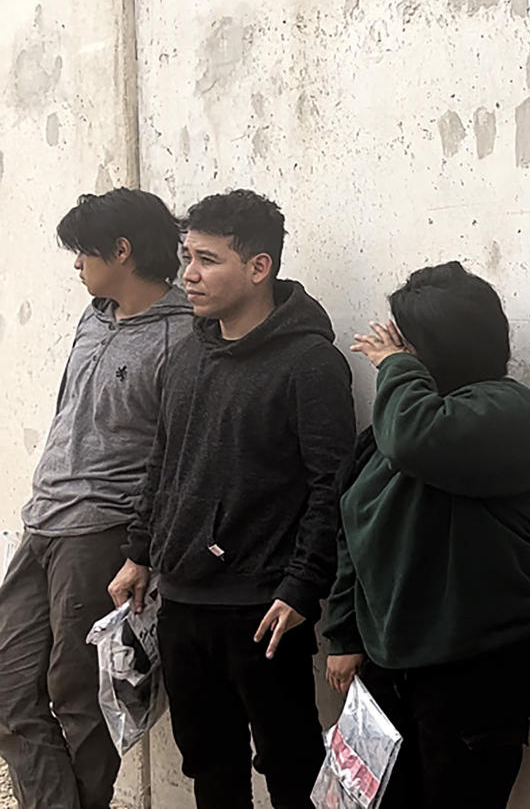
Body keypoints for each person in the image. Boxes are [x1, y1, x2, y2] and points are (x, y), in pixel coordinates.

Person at [107, 189, 355, 809]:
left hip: (263, 611)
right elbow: (163, 460)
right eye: (187, 256)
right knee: (209, 768)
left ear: (258, 267)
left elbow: (332, 487)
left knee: (293, 767)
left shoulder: (310, 363)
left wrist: (302, 587)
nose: (188, 275)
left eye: (207, 260)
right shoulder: (188, 352)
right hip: (181, 599)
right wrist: (140, 551)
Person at [322, 261, 530, 808]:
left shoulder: (507, 409)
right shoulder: (394, 418)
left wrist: (396, 367)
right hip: (390, 660)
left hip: (477, 665)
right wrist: (344, 636)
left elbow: (418, 440)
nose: (392, 347)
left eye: (406, 339)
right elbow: (351, 527)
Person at [0, 189, 191, 809]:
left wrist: (143, 551)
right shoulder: (95, 314)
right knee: (6, 684)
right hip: (45, 519)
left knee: (79, 696)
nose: (76, 264)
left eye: (84, 251)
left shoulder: (182, 337)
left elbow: (176, 459)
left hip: (101, 533)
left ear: (123, 250)